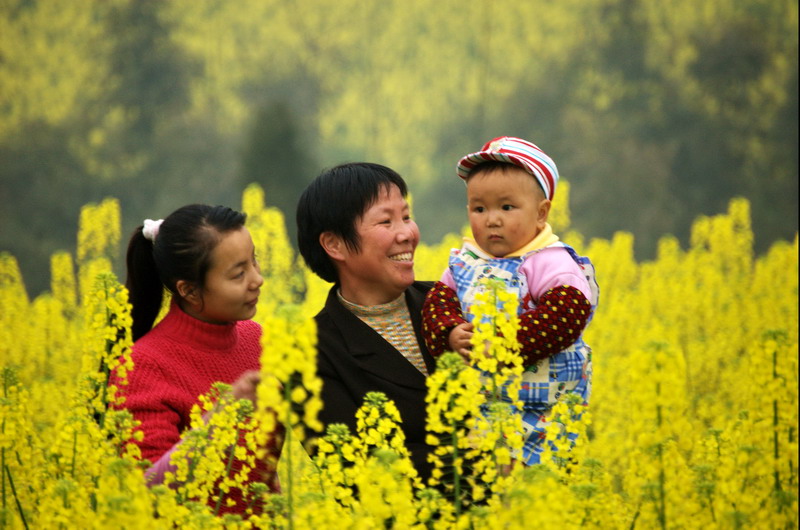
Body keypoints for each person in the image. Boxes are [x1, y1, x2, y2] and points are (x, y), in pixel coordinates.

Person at [421, 136, 599, 465]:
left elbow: (567, 315)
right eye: (479, 208)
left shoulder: (549, 261)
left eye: (507, 207)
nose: (492, 219)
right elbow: (437, 304)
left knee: (528, 486)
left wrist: (503, 342)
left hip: (542, 407)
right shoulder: (465, 262)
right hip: (483, 406)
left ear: (541, 213)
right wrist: (449, 332)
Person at [114, 204, 283, 514]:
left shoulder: (257, 340)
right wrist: (221, 418)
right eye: (238, 273)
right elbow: (146, 489)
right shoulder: (141, 367)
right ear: (189, 291)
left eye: (254, 261)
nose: (257, 279)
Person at [296, 162, 436, 479]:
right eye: (386, 221)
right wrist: (482, 455)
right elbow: (353, 470)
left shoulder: (448, 300)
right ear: (335, 244)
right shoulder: (307, 354)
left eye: (407, 216)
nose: (407, 233)